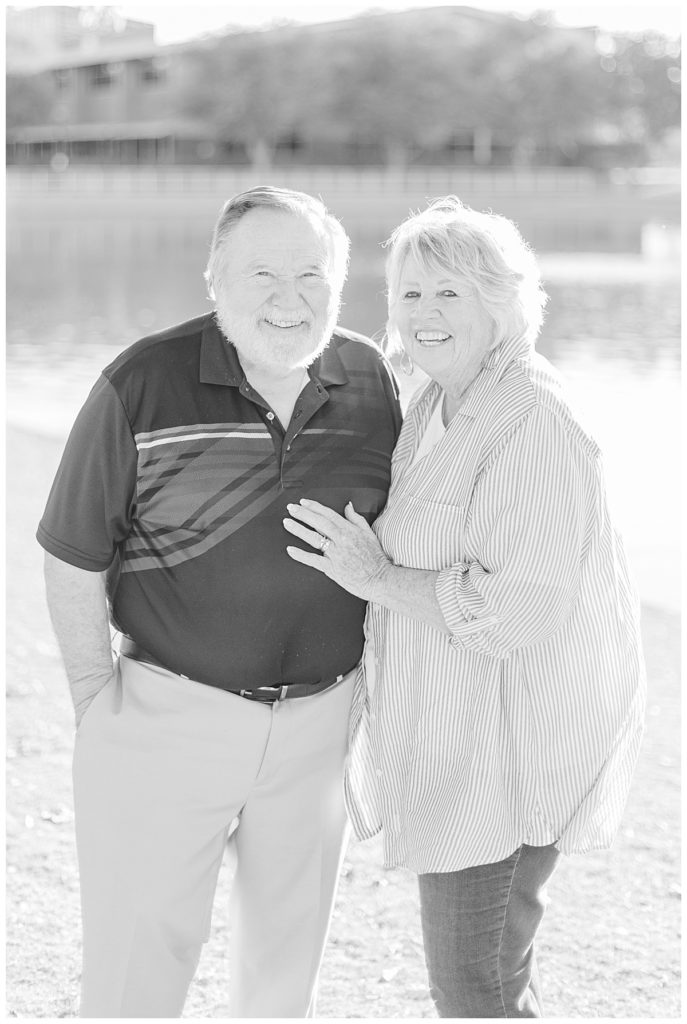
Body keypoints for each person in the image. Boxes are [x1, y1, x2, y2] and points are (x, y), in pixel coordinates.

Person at [37, 185, 402, 1018]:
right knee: (137, 971)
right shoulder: (141, 382)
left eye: (311, 274)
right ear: (214, 277)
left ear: (339, 284)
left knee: (282, 980)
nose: (288, 298)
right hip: (166, 717)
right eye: (262, 273)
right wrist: (99, 705)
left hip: (319, 727)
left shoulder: (370, 380)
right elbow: (69, 556)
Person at [284, 195, 646, 1018]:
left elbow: (520, 611)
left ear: (506, 302)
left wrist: (377, 579)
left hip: (506, 759)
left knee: (473, 989)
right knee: (484, 977)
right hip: (457, 745)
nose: (423, 313)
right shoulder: (434, 403)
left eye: (449, 293)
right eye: (409, 294)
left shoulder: (532, 419)